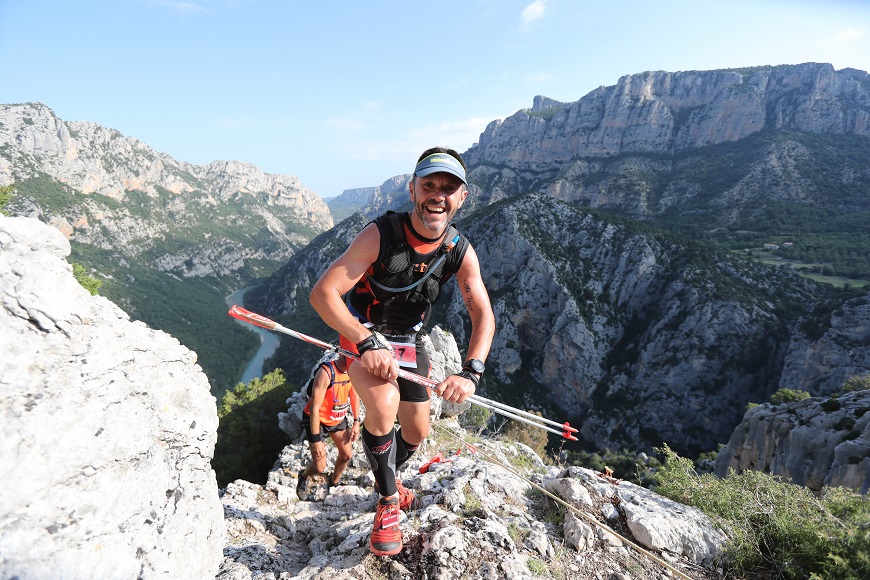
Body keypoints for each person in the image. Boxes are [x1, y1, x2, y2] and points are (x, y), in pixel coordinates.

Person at [310, 146, 496, 556]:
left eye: (449, 188)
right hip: (363, 333)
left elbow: (483, 313)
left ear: (462, 197)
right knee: (384, 403)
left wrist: (471, 373)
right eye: (429, 185)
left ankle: (386, 476)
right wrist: (364, 341)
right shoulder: (382, 234)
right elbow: (324, 294)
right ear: (412, 189)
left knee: (417, 430)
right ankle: (389, 502)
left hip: (409, 340)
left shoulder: (459, 252)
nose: (438, 195)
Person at [296, 355, 361, 498]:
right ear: (345, 355)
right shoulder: (326, 372)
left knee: (347, 455)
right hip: (318, 420)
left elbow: (354, 394)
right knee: (319, 467)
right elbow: (314, 407)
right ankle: (304, 475)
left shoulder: (352, 371)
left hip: (337, 419)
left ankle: (334, 482)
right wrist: (316, 439)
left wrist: (356, 420)